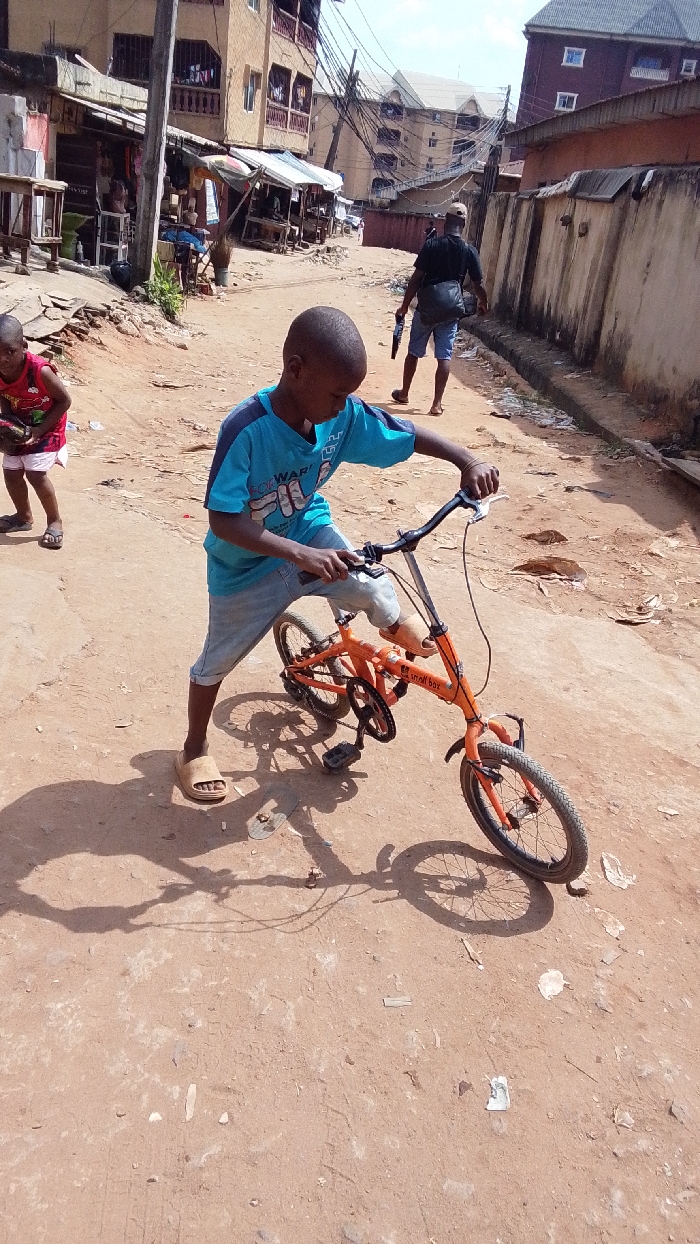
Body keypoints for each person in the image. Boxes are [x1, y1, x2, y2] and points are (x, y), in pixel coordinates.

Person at [175, 305, 499, 801]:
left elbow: (402, 433)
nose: (343, 405)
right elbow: (224, 520)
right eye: (337, 394)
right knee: (217, 661)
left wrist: (466, 459)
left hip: (307, 528)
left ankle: (390, 621)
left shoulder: (339, 418)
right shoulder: (245, 430)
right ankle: (193, 748)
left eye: (348, 395)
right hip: (243, 565)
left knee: (370, 580)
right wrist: (299, 556)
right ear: (296, 369)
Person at [392, 202, 489, 416]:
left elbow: (416, 278)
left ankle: (404, 393)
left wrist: (404, 306)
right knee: (444, 356)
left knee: (413, 352)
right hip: (451, 310)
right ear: (464, 224)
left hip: (426, 308)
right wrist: (484, 302)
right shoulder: (469, 251)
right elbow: (478, 284)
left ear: (445, 221)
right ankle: (436, 404)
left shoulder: (431, 245)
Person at [0, 315, 72, 549]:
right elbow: (5, 396)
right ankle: (23, 517)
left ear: (23, 346)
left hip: (48, 426)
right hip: (20, 425)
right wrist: (7, 427)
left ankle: (55, 521)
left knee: (35, 474)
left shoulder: (40, 371)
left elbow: (64, 401)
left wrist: (39, 430)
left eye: (9, 351)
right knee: (11, 473)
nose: (2, 359)